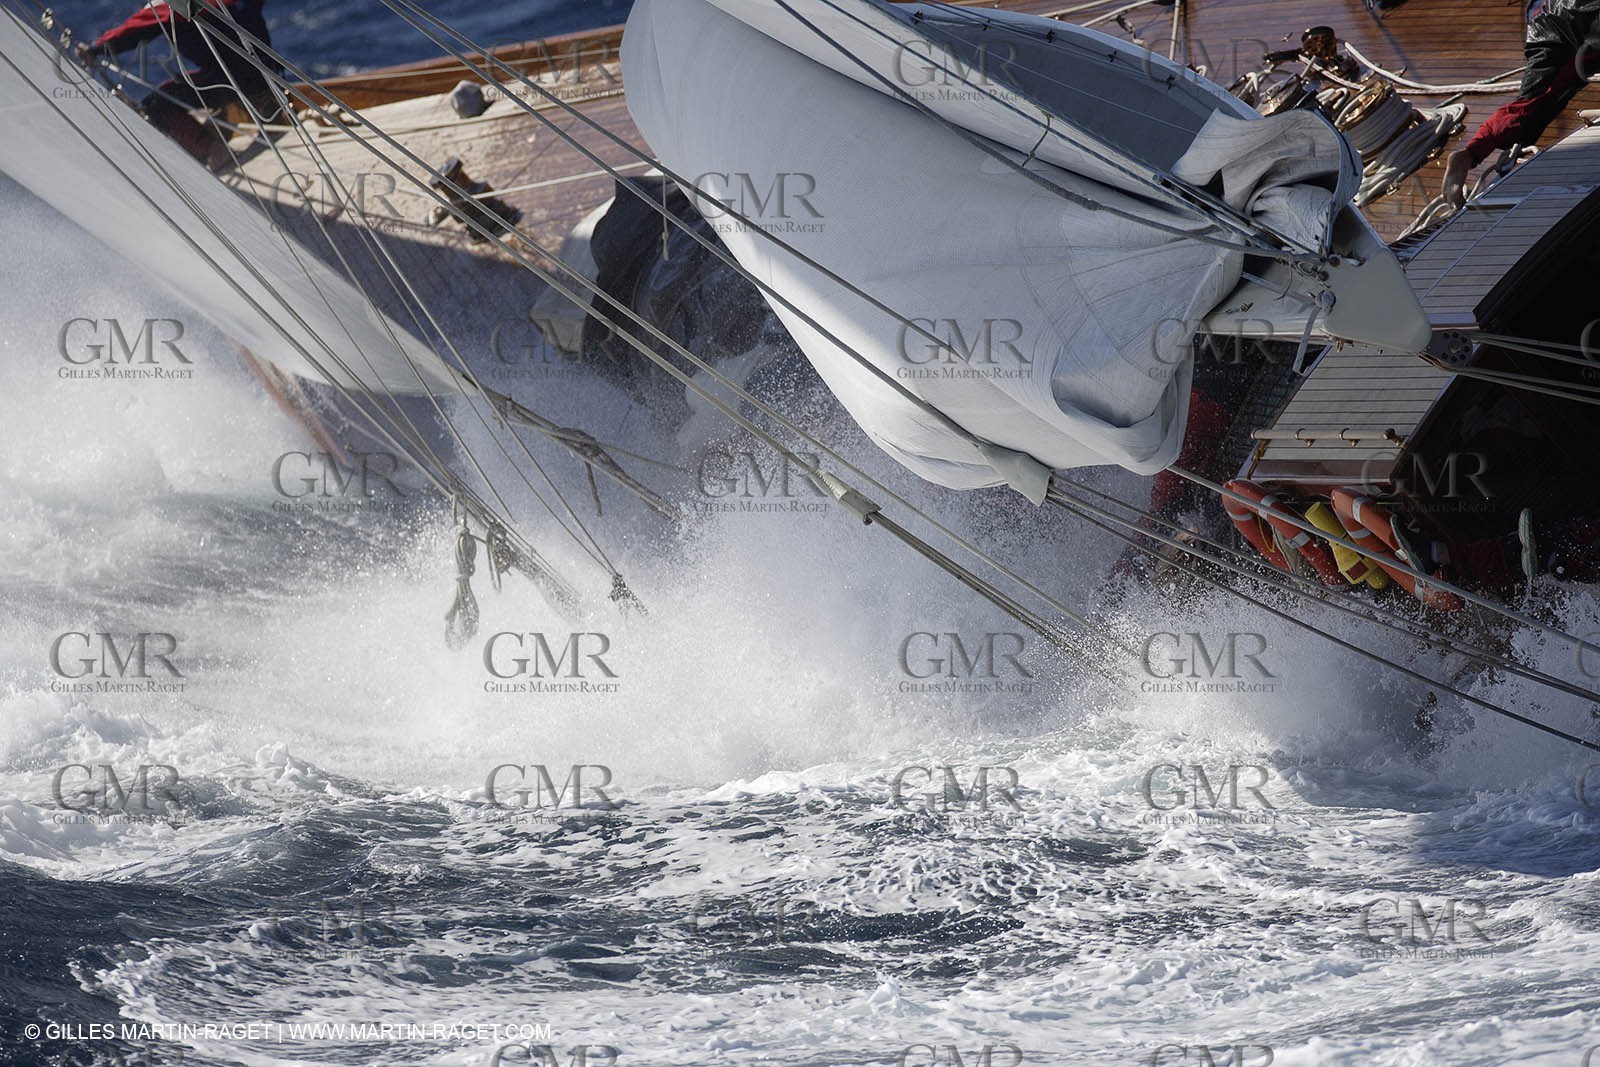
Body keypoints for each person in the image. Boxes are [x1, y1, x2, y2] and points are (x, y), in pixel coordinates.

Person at [76, 0, 283, 171]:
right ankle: (270, 107)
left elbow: (134, 32)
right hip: (268, 70)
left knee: (157, 103)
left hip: (233, 80)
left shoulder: (170, 5)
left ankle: (215, 150)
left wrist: (95, 49)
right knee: (234, 73)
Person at [1440, 0, 1600, 206]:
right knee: (1534, 108)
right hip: (1559, 31)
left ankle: (1469, 154)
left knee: (1534, 106)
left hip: (1559, 17)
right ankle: (1467, 155)